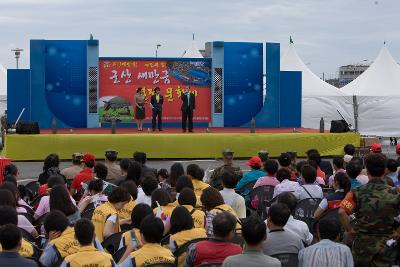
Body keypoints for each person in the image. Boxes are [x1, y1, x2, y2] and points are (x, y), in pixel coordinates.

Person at [339, 153, 400, 267]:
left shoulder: (356, 192)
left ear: (367, 170)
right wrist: (397, 232)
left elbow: (341, 211)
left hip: (362, 245)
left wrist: (350, 231)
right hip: (386, 245)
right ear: (385, 170)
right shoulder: (395, 192)